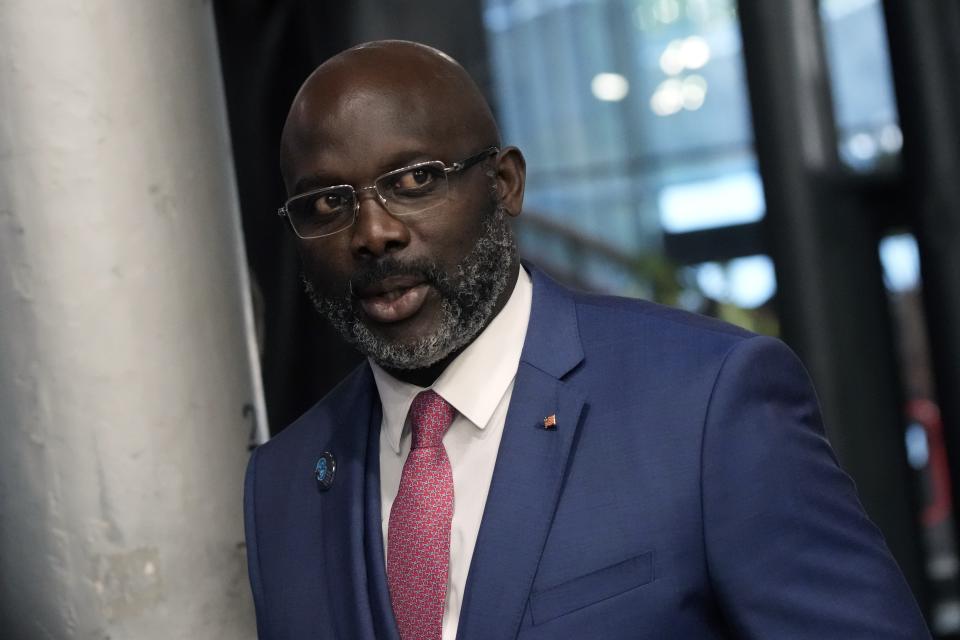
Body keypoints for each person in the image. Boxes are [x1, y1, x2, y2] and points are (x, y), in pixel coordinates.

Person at [243, 40, 929, 639]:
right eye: (327, 203)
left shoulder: (703, 405)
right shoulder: (283, 487)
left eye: (414, 180)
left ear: (505, 183)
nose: (372, 233)